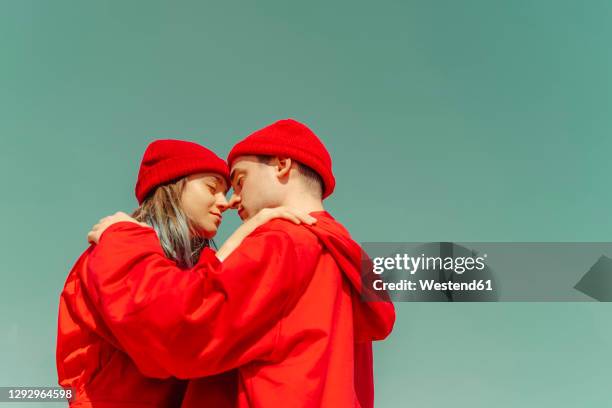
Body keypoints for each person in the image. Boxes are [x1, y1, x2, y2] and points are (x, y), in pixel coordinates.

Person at [85, 119, 396, 408]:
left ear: (282, 166)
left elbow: (182, 328)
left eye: (239, 180)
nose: (232, 200)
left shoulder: (282, 242)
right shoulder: (349, 260)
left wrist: (122, 240)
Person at [56, 138, 315, 407]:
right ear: (172, 187)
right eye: (212, 188)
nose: (225, 202)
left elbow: (196, 307)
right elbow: (171, 332)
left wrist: (247, 231)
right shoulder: (111, 251)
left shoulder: (279, 244)